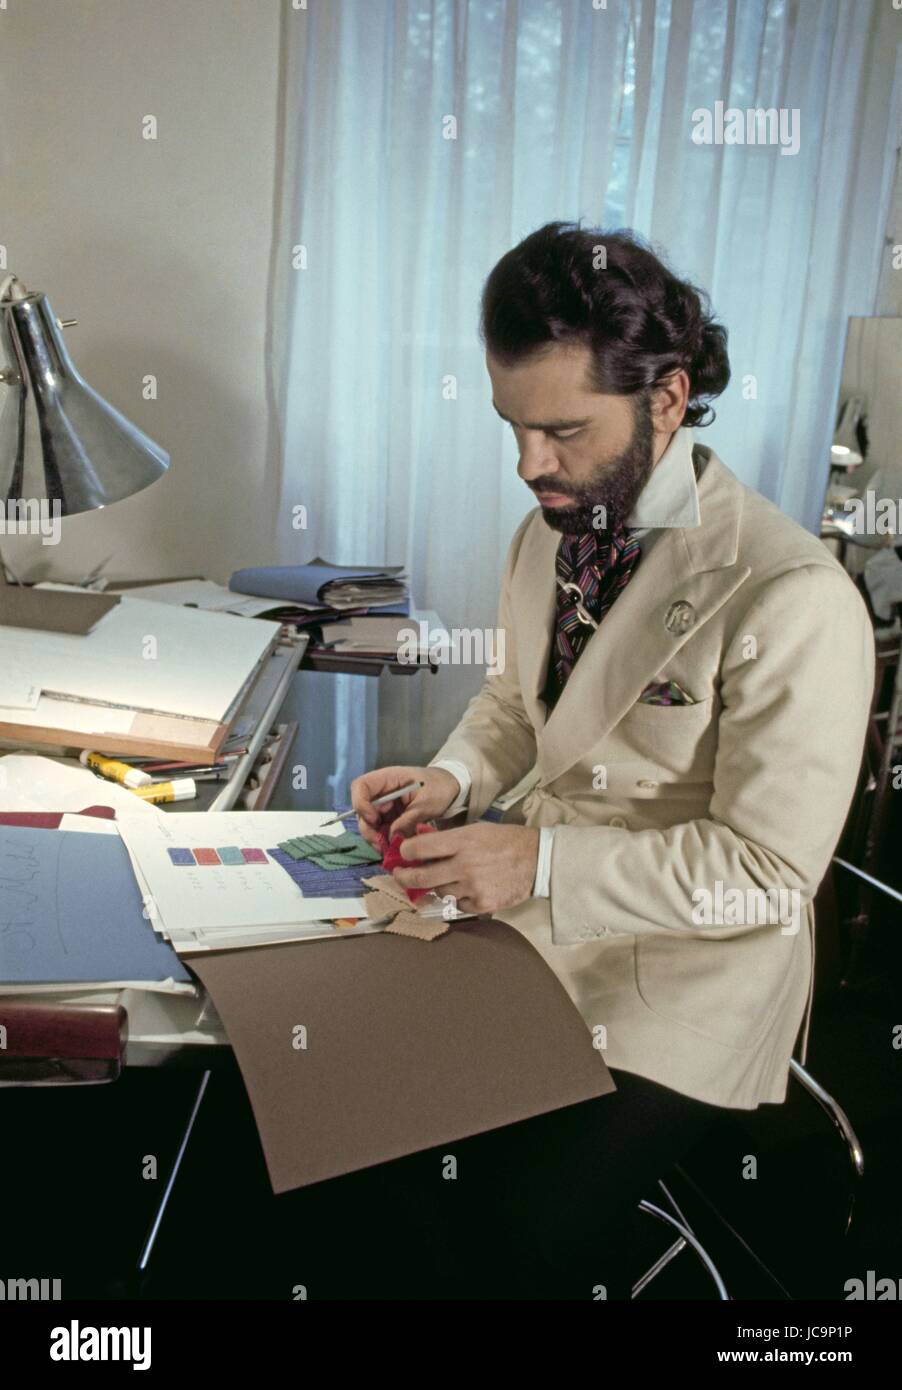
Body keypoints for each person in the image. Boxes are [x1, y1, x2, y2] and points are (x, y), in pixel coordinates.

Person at [351, 222, 874, 1299]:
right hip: (540, 935)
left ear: (667, 399)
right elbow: (516, 702)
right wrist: (450, 779)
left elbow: (768, 875)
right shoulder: (552, 527)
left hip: (688, 978)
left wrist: (534, 865)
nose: (527, 464)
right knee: (364, 1137)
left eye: (561, 431)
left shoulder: (791, 592)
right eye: (512, 427)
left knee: (509, 1230)